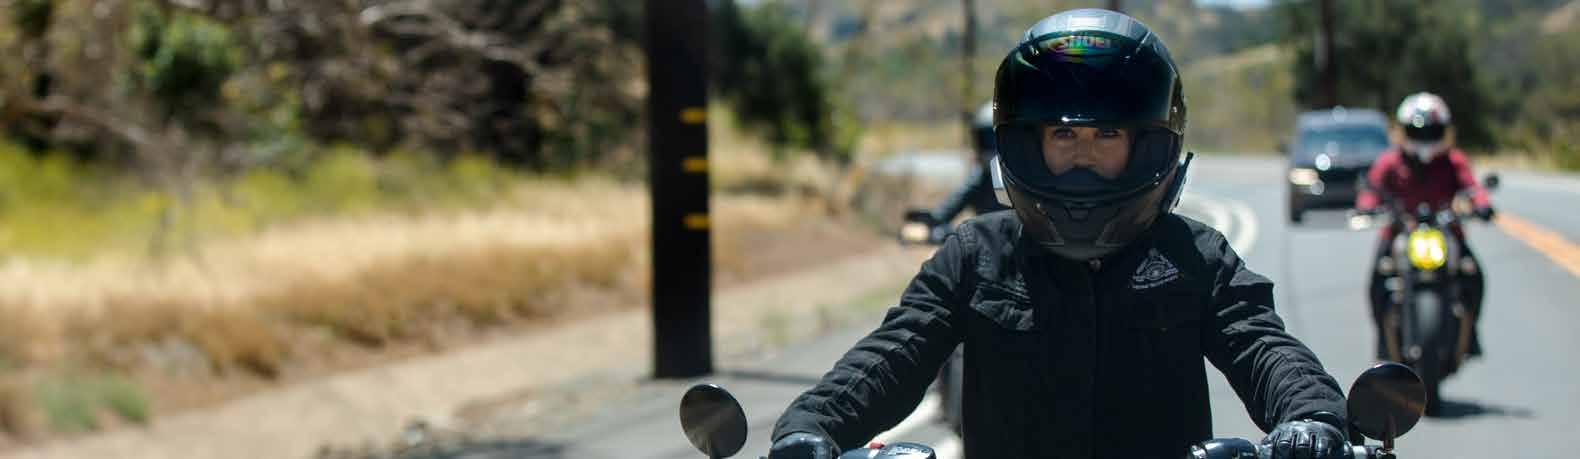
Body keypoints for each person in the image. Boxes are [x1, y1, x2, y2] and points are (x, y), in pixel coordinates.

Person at [770, 9, 1350, 459]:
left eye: (1107, 135)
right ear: (1029, 144)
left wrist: (1312, 418)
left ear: (1148, 145)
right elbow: (892, 354)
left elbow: (1263, 346)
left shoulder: (1195, 255)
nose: (1083, 157)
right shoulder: (976, 255)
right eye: (1063, 136)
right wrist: (811, 427)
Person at [1354, 92, 1494, 363]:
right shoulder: (1390, 161)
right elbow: (1372, 188)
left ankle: (1470, 333)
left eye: (1432, 131)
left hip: (1446, 231)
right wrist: (1367, 206)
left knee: (1475, 276)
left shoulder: (1453, 161)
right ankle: (1384, 339)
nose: (1425, 137)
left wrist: (1482, 205)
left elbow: (1472, 187)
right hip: (1399, 232)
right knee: (1377, 281)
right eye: (1418, 131)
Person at [929, 101, 1012, 227]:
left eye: (994, 139)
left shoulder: (1026, 176)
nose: (990, 146)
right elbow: (955, 202)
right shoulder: (981, 176)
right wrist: (932, 220)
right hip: (989, 236)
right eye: (985, 139)